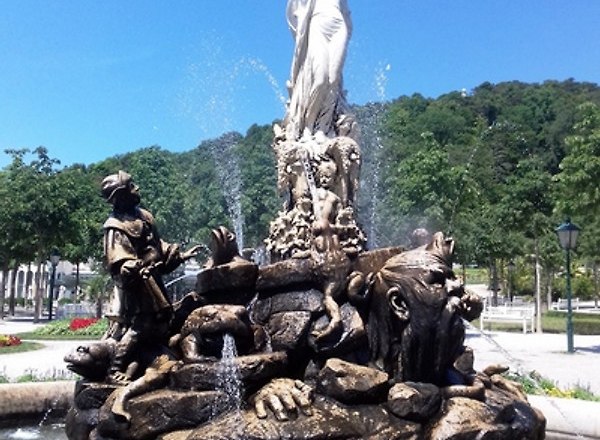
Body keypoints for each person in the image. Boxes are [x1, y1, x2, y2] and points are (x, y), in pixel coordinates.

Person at [101, 171, 202, 384]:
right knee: (141, 325)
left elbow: (158, 246)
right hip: (137, 284)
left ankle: (146, 360)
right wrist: (130, 266)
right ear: (121, 195)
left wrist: (179, 256)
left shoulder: (144, 216)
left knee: (161, 320)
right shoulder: (115, 226)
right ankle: (114, 368)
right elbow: (117, 256)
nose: (136, 189)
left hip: (153, 279)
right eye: (131, 186)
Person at [284, 0, 352, 141]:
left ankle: (322, 127)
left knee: (334, 80)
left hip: (339, 24)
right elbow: (293, 9)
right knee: (320, 79)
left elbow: (346, 10)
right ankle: (308, 126)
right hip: (317, 22)